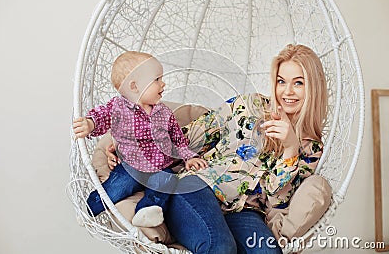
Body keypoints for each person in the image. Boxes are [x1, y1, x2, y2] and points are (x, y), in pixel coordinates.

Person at [104, 44, 328, 253]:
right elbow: (188, 139)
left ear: (313, 88)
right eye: (281, 81)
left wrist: (290, 149)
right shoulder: (248, 105)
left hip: (245, 212)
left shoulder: (311, 148)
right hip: (197, 187)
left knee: (267, 250)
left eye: (298, 83)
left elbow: (277, 201)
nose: (287, 92)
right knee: (220, 247)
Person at [73, 51, 208, 227]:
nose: (163, 83)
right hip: (131, 167)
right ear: (134, 86)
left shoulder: (164, 112)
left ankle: (147, 211)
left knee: (167, 181)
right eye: (157, 79)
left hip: (160, 167)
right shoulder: (119, 107)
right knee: (118, 186)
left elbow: (177, 139)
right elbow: (103, 117)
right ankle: (90, 209)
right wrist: (90, 124)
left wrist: (189, 157)